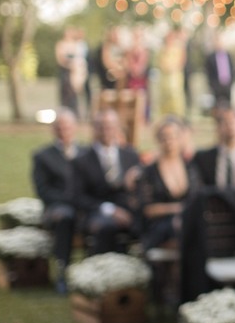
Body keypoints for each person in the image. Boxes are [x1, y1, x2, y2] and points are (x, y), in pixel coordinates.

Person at [72, 109, 142, 255]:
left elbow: (140, 187)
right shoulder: (81, 160)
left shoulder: (131, 155)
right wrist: (110, 210)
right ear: (94, 129)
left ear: (117, 128)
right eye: (101, 126)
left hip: (128, 208)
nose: (105, 130)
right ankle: (104, 269)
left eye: (109, 126)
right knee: (106, 227)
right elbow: (77, 197)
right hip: (97, 211)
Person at [30, 108, 83, 293]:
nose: (64, 131)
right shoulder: (43, 156)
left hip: (85, 206)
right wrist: (70, 200)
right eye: (59, 127)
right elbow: (44, 190)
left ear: (74, 127)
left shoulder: (86, 152)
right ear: (53, 129)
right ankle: (63, 271)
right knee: (65, 217)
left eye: (67, 126)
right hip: (58, 207)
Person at [135, 116, 200, 254]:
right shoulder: (149, 172)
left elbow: (197, 198)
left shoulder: (190, 168)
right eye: (164, 137)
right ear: (158, 140)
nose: (169, 141)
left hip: (187, 221)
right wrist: (177, 209)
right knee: (177, 226)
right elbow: (147, 209)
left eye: (173, 137)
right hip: (159, 224)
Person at [155, 29, 187, 120]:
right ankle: (164, 118)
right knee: (165, 98)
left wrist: (173, 67)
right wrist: (166, 67)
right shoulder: (163, 49)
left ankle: (177, 118)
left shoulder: (178, 48)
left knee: (175, 97)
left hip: (175, 77)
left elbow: (181, 61)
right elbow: (160, 62)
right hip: (165, 78)